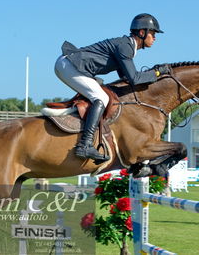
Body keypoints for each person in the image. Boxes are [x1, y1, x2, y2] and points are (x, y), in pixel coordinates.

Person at [54, 13, 171, 163]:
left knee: (101, 95)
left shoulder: (127, 46)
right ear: (142, 33)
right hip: (69, 65)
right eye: (153, 33)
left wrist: (152, 74)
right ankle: (85, 144)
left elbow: (125, 78)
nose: (154, 38)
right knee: (101, 97)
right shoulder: (125, 46)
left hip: (70, 64)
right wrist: (157, 72)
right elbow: (134, 78)